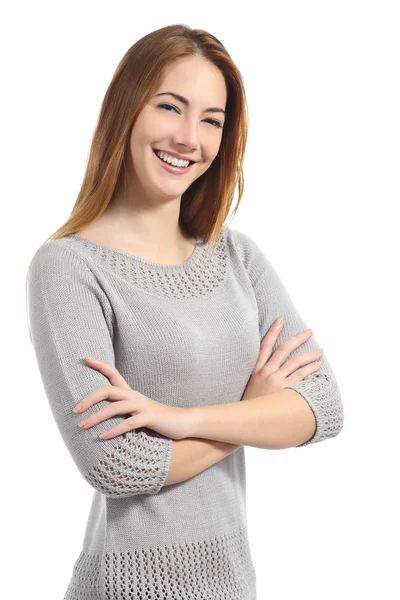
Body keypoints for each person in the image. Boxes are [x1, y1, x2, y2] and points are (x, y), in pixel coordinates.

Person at [26, 24, 344, 599]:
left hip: (234, 581)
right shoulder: (68, 269)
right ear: (126, 109)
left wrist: (185, 419)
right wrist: (253, 413)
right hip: (128, 587)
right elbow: (115, 465)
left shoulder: (236, 255)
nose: (188, 138)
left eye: (212, 120)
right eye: (170, 107)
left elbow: (322, 406)